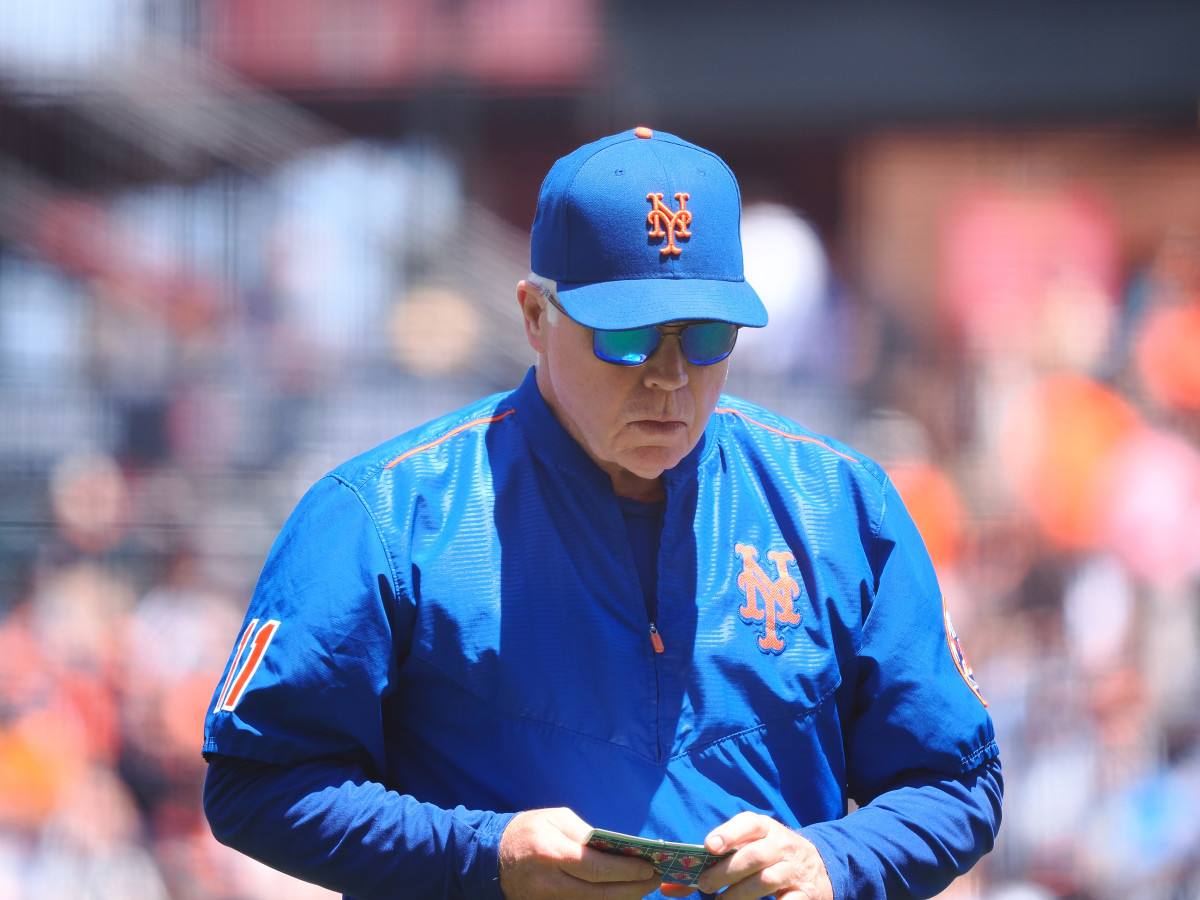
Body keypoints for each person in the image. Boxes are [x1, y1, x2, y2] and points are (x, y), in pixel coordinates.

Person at [202, 127, 1002, 900]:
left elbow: (957, 781)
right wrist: (481, 856)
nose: (668, 378)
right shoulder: (386, 514)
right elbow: (255, 780)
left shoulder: (839, 506)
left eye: (707, 337)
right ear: (535, 316)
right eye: (627, 337)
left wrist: (833, 862)